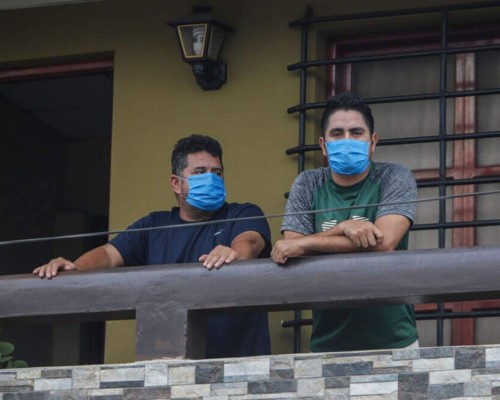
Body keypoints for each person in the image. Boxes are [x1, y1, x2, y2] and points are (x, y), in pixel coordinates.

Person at [34, 134, 271, 359]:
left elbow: (249, 242)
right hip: (168, 368)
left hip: (240, 365)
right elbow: (109, 254)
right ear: (176, 183)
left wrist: (234, 253)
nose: (211, 179)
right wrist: (74, 268)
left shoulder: (243, 213)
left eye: (217, 173)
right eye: (200, 172)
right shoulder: (153, 226)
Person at [271, 92, 418, 352]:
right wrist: (343, 228)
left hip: (395, 341)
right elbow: (290, 248)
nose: (347, 140)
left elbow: (385, 243)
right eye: (337, 134)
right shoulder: (308, 184)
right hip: (328, 342)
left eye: (356, 132)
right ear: (323, 144)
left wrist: (313, 242)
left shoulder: (393, 176)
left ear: (373, 142)